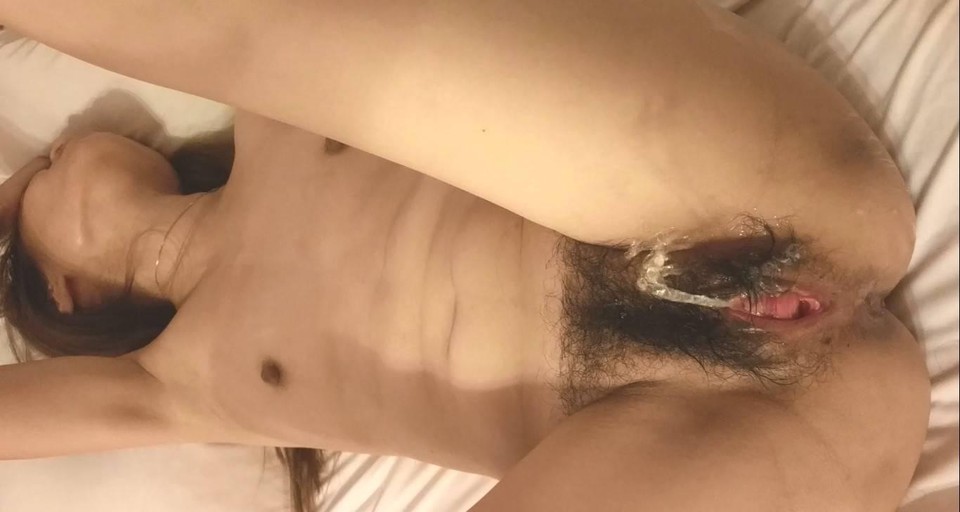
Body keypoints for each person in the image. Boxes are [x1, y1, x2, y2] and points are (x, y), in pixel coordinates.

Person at [0, 1, 930, 511]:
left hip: (756, 189)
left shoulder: (272, 109)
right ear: (66, 295)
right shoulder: (181, 383)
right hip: (765, 431)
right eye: (31, 181)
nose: (49, 150)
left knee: (234, 24)